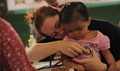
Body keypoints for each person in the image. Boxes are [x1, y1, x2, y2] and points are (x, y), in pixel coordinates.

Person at [25, 5, 120, 71]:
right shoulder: (61, 37)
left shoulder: (104, 29)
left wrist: (104, 68)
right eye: (54, 34)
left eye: (58, 25)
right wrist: (59, 45)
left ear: (60, 12)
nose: (61, 32)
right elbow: (28, 54)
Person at [60, 2, 116, 71]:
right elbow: (64, 58)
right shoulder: (67, 40)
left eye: (79, 29)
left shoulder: (97, 36)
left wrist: (112, 65)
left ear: (88, 21)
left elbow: (106, 53)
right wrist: (74, 65)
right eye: (70, 31)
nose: (75, 33)